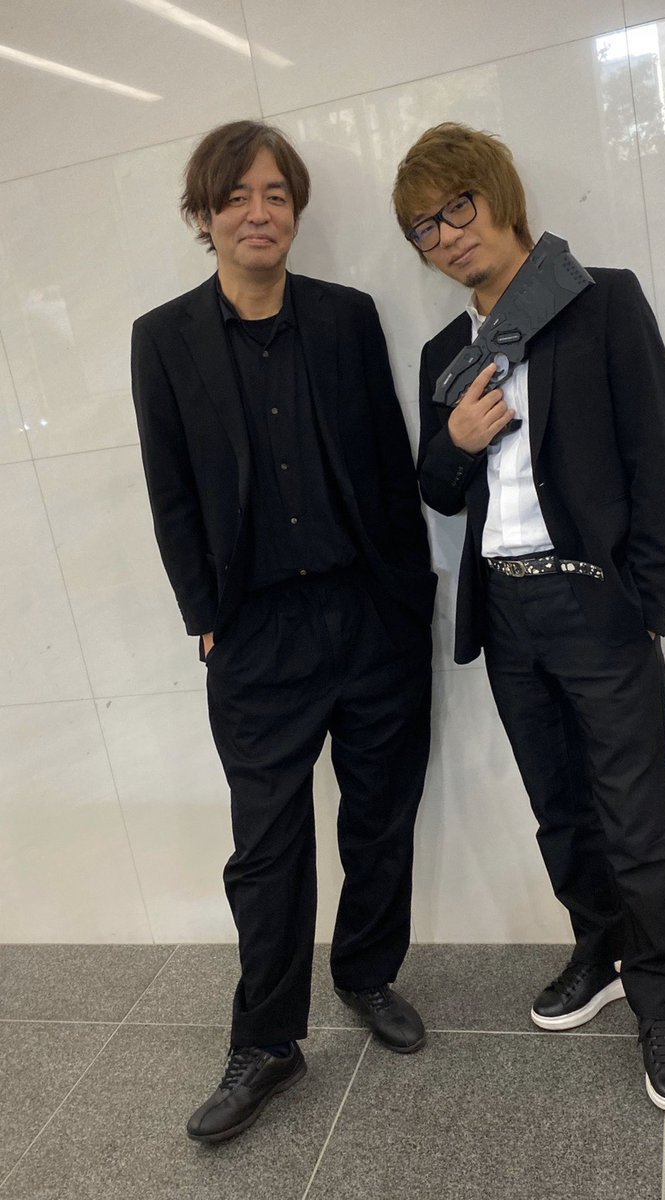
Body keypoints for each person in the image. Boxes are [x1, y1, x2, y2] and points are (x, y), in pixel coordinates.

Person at [132, 119, 435, 1143]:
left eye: (275, 194)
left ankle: (365, 973)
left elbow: (388, 465)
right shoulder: (163, 339)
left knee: (380, 815)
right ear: (204, 215)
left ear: (294, 210)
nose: (257, 213)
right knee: (266, 849)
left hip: (368, 614)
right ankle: (266, 1042)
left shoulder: (347, 318)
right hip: (255, 633)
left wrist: (406, 600)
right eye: (236, 197)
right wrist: (205, 619)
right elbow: (170, 492)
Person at [392, 123, 665, 1112]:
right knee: (560, 808)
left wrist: (644, 605)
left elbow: (658, 464)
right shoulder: (447, 353)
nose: (446, 235)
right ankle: (599, 950)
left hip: (597, 605)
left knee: (635, 819)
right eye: (423, 227)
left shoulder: (599, 301)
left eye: (456, 207)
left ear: (498, 194)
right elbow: (436, 491)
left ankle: (662, 1002)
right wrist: (455, 439)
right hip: (509, 612)